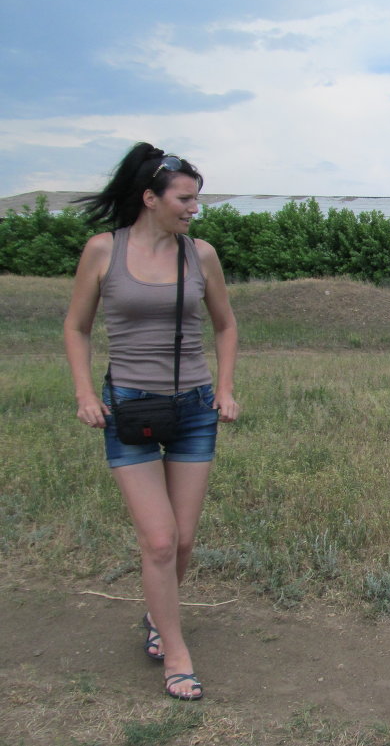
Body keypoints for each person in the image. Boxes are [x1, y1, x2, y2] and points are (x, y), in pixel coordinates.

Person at [64, 143, 239, 701]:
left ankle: (156, 617)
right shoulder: (102, 251)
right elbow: (77, 328)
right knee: (159, 541)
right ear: (150, 198)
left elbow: (226, 327)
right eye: (185, 198)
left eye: (196, 199)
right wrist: (86, 392)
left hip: (192, 409)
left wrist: (226, 389)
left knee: (183, 541)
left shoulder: (201, 255)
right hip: (129, 407)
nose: (194, 209)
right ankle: (176, 649)